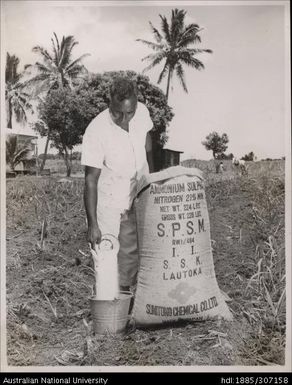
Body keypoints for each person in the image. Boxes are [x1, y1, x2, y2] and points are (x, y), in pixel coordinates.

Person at [81, 77, 154, 292]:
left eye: (129, 112)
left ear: (136, 102)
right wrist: (93, 224)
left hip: (137, 196)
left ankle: (129, 304)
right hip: (109, 205)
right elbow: (91, 180)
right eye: (117, 113)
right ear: (109, 102)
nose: (124, 119)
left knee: (133, 258)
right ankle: (110, 311)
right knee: (107, 262)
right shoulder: (96, 131)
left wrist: (153, 179)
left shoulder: (142, 114)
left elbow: (148, 146)